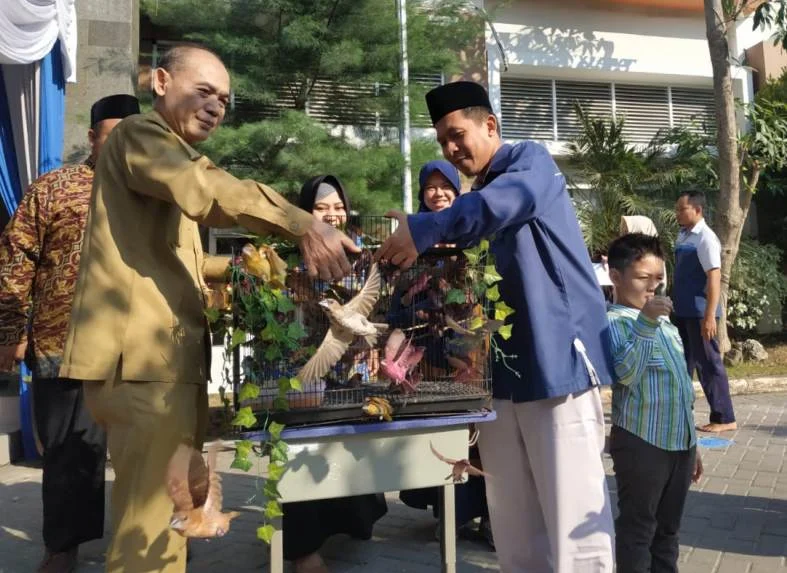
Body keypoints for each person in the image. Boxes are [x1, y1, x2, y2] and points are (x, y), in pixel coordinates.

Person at [56, 44, 358, 573]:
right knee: (148, 534)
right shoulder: (140, 136)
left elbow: (179, 259)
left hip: (163, 367)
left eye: (223, 98)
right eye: (203, 91)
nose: (216, 106)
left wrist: (242, 269)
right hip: (143, 367)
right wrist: (302, 223)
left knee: (176, 517)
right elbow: (210, 191)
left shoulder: (163, 163)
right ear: (160, 82)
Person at [376, 81, 615, 572]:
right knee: (512, 524)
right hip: (499, 380)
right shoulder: (477, 196)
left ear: (490, 125)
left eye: (457, 134)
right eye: (442, 141)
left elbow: (500, 205)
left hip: (555, 366)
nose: (451, 149)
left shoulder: (530, 164)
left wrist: (425, 227)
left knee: (575, 522)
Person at [0, 94, 140, 573]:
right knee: (68, 451)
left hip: (139, 345)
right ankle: (63, 546)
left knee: (144, 449)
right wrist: (11, 330)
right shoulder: (54, 188)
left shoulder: (153, 191)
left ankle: (144, 541)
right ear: (93, 137)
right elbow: (16, 262)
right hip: (64, 343)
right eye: (113, 134)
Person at [281, 174, 387, 573]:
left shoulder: (360, 253)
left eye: (338, 206)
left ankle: (351, 521)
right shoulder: (293, 258)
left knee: (353, 450)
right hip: (307, 373)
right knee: (304, 454)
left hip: (355, 373)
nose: (333, 214)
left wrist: (372, 347)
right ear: (306, 213)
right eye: (321, 208)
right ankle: (304, 550)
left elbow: (374, 306)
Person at [395, 159, 493, 548]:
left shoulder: (476, 234)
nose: (437, 193)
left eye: (445, 186)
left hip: (473, 356)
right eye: (430, 188)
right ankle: (450, 516)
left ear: (457, 190)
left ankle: (489, 517)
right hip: (430, 354)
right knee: (441, 438)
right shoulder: (411, 238)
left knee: (481, 440)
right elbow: (398, 296)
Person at [606, 233, 703, 572]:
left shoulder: (666, 324)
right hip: (641, 442)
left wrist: (693, 442)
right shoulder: (613, 322)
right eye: (643, 278)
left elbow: (681, 390)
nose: (653, 288)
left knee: (668, 532)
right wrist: (645, 322)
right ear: (615, 277)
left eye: (658, 279)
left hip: (680, 444)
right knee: (638, 529)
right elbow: (625, 374)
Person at [674, 191, 737, 433]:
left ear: (697, 210)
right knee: (683, 364)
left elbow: (714, 277)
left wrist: (710, 316)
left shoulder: (706, 238)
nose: (678, 213)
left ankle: (724, 417)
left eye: (682, 209)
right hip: (684, 310)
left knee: (709, 364)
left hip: (701, 313)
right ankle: (681, 410)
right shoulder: (684, 236)